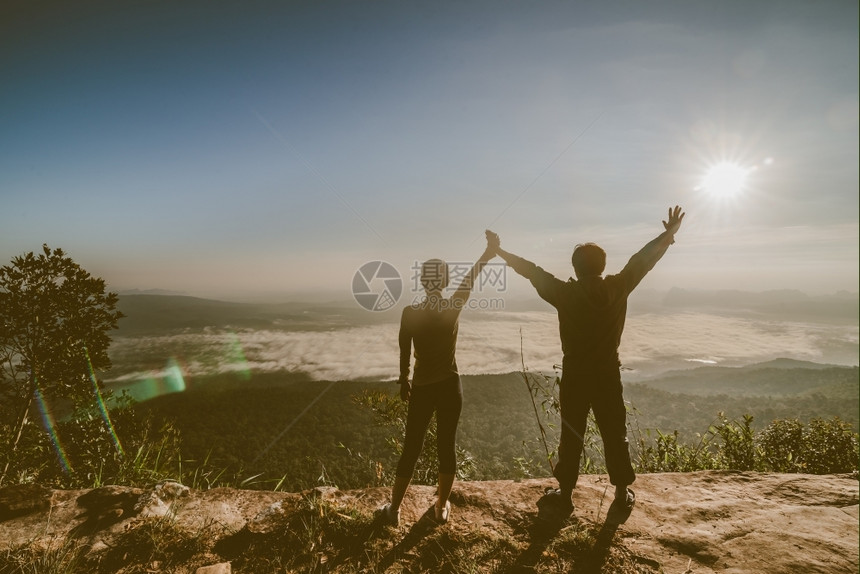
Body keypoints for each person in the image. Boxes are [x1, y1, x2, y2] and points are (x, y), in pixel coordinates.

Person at [489, 206, 685, 523]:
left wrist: (499, 252)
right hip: (608, 375)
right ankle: (622, 495)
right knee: (614, 432)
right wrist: (669, 234)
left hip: (576, 377)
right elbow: (643, 260)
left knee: (571, 435)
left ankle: (565, 496)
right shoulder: (618, 286)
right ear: (602, 266)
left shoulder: (565, 294)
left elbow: (531, 270)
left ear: (576, 268)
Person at [377, 230, 499, 527]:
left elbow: (404, 348)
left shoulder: (410, 312)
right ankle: (441, 507)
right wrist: (488, 253)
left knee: (411, 447)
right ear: (444, 282)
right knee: (447, 445)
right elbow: (470, 278)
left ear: (421, 281)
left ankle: (393, 510)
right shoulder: (452, 306)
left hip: (421, 388)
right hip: (449, 387)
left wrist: (404, 378)